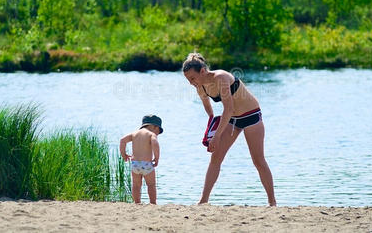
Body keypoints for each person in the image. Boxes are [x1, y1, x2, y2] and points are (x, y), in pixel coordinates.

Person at [182, 53, 277, 206]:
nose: (191, 82)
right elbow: (210, 111)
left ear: (203, 71)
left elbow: (228, 108)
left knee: (258, 160)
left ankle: (272, 202)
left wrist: (217, 136)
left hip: (251, 115)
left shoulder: (221, 78)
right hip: (233, 119)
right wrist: (211, 129)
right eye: (188, 80)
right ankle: (203, 201)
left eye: (192, 78)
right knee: (215, 158)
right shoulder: (200, 88)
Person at [119, 114, 163, 204]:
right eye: (159, 130)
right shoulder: (151, 134)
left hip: (135, 164)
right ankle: (153, 203)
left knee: (136, 185)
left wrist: (124, 154)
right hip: (147, 164)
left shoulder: (134, 134)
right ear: (154, 126)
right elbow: (155, 143)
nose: (158, 133)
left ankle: (137, 202)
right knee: (151, 185)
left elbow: (122, 140)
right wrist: (157, 158)